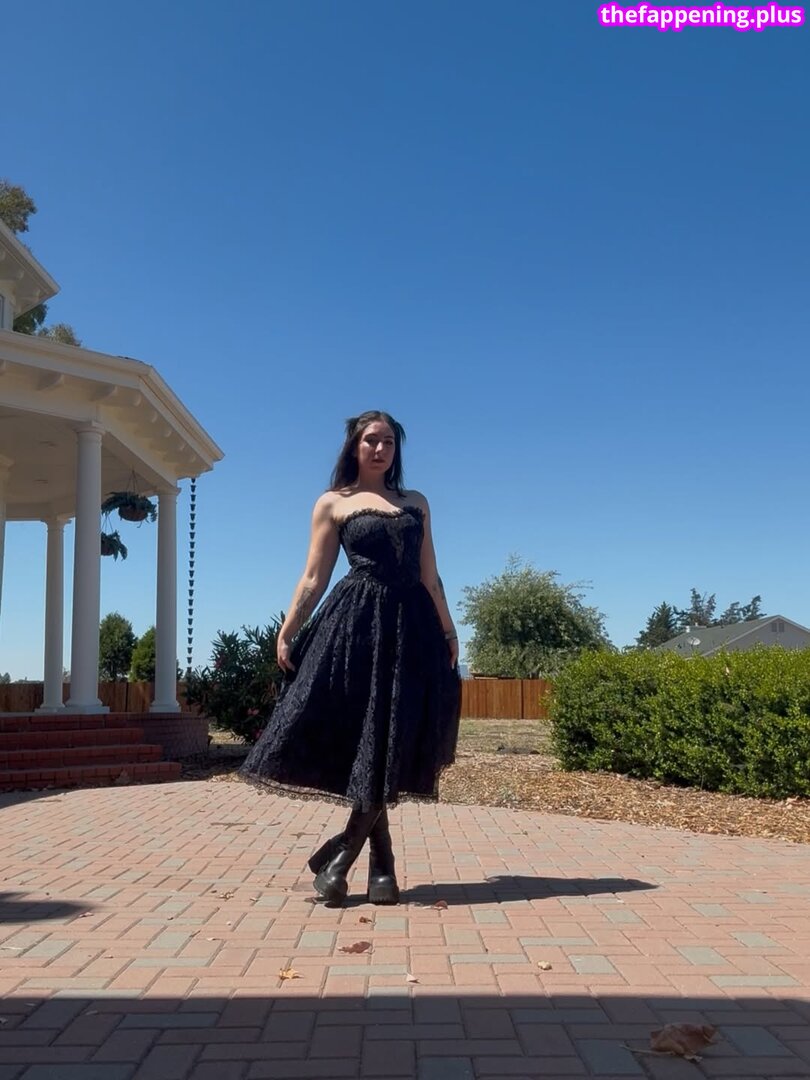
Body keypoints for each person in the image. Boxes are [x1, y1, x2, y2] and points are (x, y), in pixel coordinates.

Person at [241, 410, 461, 906]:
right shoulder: (333, 502)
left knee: (392, 737)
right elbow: (313, 576)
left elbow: (430, 574)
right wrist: (288, 628)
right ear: (354, 446)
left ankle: (344, 856)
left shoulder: (416, 503)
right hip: (355, 627)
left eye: (388, 442)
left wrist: (449, 629)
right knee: (369, 737)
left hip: (412, 629)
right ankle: (380, 866)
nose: (380, 449)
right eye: (371, 441)